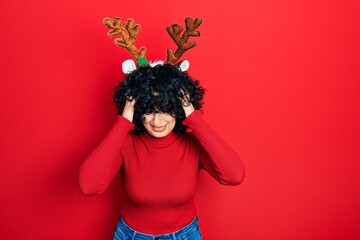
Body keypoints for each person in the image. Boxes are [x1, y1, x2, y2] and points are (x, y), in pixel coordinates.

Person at [78, 63, 245, 240]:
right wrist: (122, 123)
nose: (157, 121)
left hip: (184, 235)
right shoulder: (126, 142)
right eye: (148, 111)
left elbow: (234, 175)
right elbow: (88, 186)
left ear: (179, 109)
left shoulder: (192, 144)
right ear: (137, 110)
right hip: (130, 235)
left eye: (166, 109)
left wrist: (195, 118)